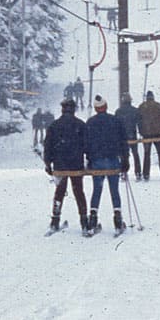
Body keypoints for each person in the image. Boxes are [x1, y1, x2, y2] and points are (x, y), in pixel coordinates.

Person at [43, 96, 89, 235]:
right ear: (74, 109)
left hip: (60, 165)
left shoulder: (54, 125)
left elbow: (48, 146)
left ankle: (55, 220)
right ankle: (84, 221)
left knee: (59, 192)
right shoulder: (80, 124)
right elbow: (87, 145)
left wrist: (48, 163)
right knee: (79, 192)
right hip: (76, 164)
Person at [84, 95, 129, 232]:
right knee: (114, 189)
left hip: (96, 160)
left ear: (96, 108)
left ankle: (92, 219)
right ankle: (117, 219)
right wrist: (125, 160)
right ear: (106, 106)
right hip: (112, 159)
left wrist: (89, 159)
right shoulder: (115, 121)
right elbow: (123, 142)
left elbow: (86, 143)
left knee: (97, 189)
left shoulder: (90, 122)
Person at [137, 89, 160, 181]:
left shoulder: (142, 106)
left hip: (146, 134)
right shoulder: (158, 106)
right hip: (158, 134)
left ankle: (146, 174)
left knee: (147, 154)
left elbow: (139, 121)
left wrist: (141, 131)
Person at [115, 92, 142, 180]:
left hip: (122, 137)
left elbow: (116, 125)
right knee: (135, 154)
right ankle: (138, 172)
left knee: (124, 155)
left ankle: (123, 172)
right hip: (132, 135)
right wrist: (141, 132)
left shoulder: (119, 111)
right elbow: (139, 123)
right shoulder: (135, 110)